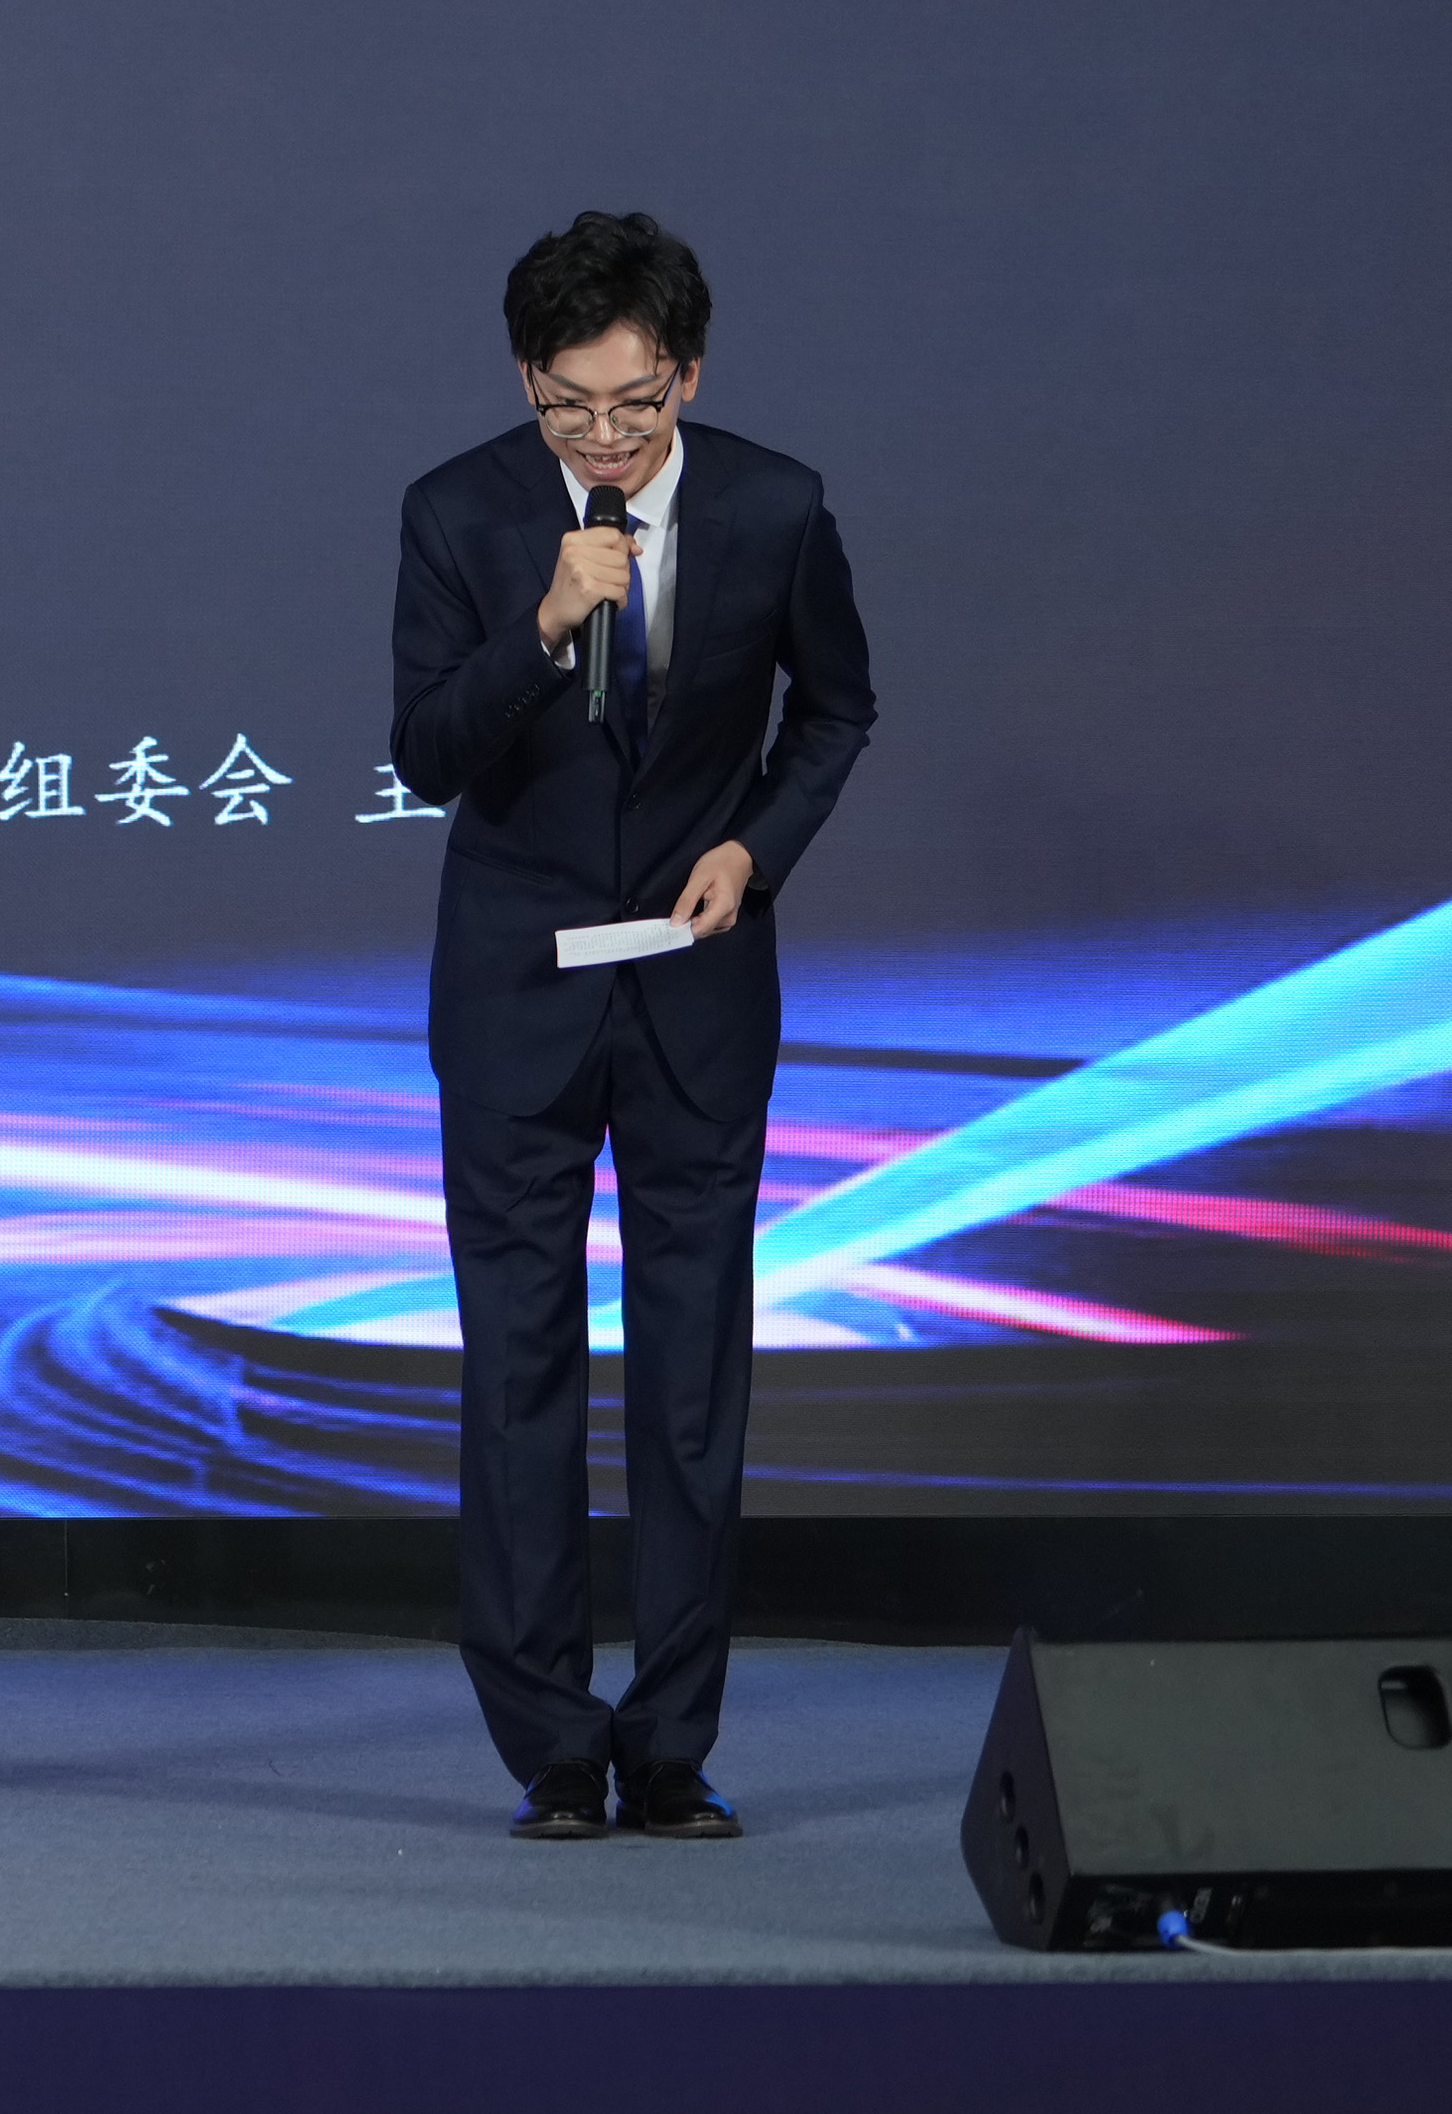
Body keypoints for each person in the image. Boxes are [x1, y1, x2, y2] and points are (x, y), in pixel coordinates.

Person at [388, 211, 873, 1844]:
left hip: (694, 987)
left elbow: (837, 707)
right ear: (525, 379)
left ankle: (669, 1741)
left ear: (689, 373)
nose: (603, 436)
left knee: (689, 1378)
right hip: (513, 995)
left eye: (634, 402)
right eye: (567, 406)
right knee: (515, 1371)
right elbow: (424, 752)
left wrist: (756, 846)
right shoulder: (458, 511)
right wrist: (537, 626)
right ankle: (548, 1743)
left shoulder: (774, 503)